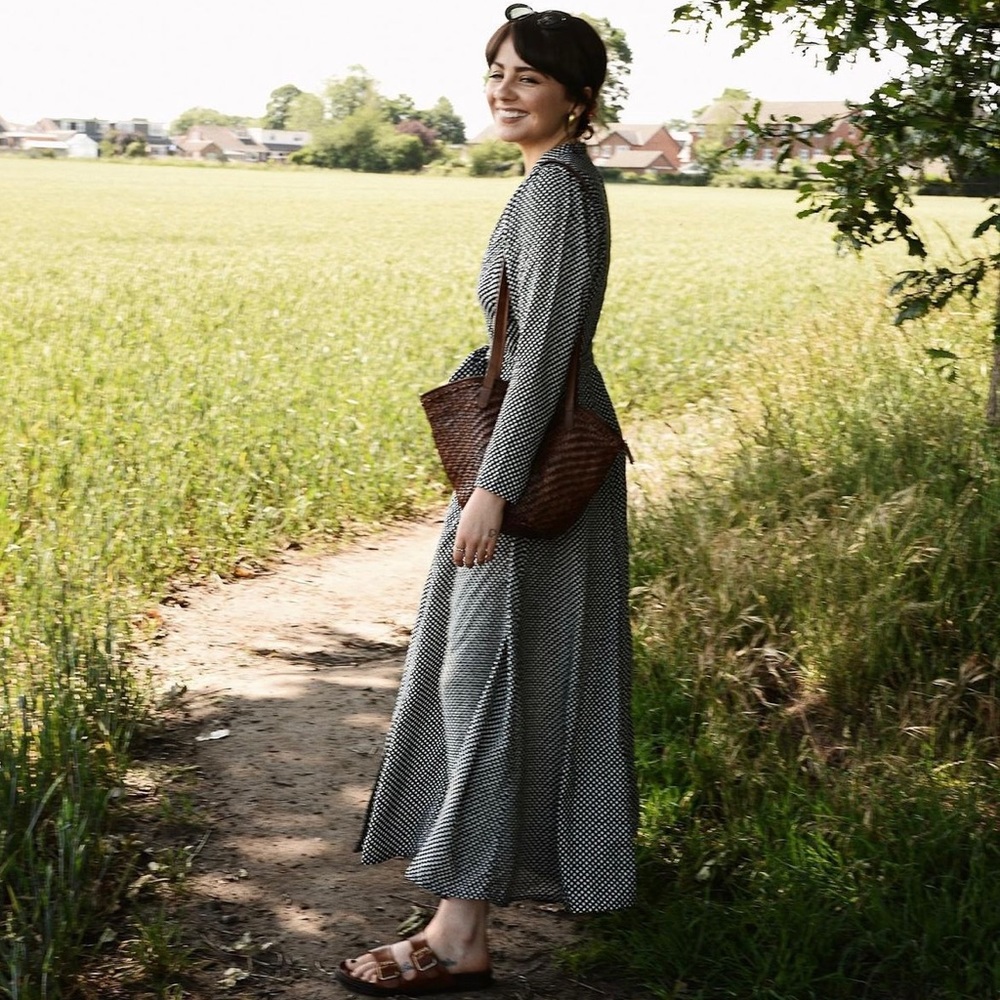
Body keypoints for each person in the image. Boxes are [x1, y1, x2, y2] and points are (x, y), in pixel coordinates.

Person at [336, 5, 637, 995]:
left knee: (486, 678)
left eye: (528, 77)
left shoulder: (554, 190)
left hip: (532, 471)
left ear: (577, 98)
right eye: (496, 71)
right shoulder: (555, 183)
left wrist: (492, 488)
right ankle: (456, 914)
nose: (504, 90)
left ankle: (458, 930)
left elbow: (543, 353)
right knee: (489, 678)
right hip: (535, 457)